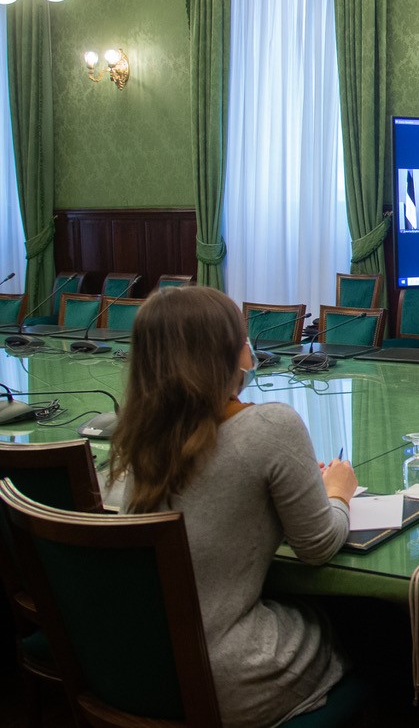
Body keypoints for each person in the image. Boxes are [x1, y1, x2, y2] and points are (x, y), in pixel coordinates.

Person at [108, 286, 358, 727]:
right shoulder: (269, 426)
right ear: (236, 354)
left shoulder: (137, 436)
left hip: (133, 670)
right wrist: (337, 491)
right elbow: (317, 547)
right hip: (222, 681)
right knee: (359, 628)